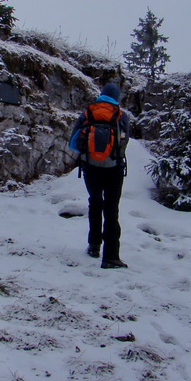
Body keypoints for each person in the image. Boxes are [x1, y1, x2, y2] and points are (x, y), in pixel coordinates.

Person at [68, 82, 131, 269]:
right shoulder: (122, 116)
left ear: (102, 94)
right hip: (114, 169)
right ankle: (111, 257)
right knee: (111, 209)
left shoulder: (87, 113)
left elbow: (73, 143)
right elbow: (124, 142)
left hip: (90, 168)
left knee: (95, 203)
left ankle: (94, 246)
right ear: (116, 97)